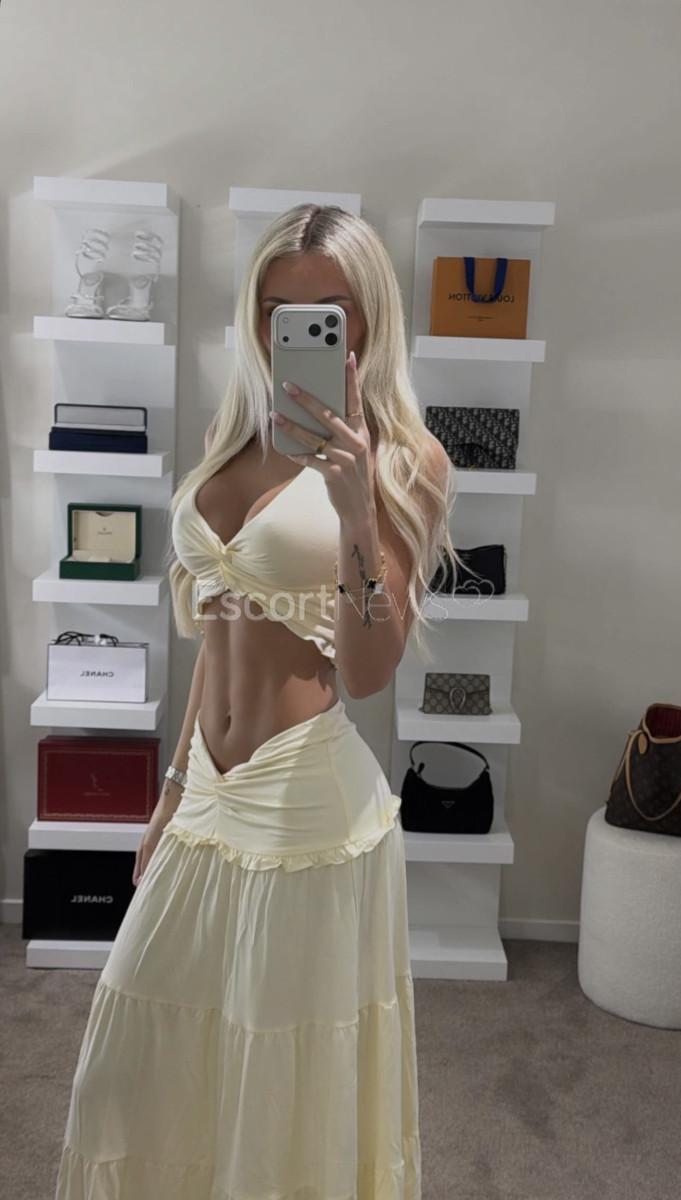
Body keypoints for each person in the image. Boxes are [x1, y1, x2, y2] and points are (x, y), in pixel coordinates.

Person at [54, 203, 459, 1200]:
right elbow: (217, 628)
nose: (301, 332)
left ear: (368, 318)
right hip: (206, 793)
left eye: (329, 312)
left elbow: (369, 670)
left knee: (277, 1082)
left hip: (304, 801)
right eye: (279, 310)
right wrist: (169, 790)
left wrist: (357, 513)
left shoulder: (406, 459)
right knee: (133, 1070)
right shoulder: (229, 432)